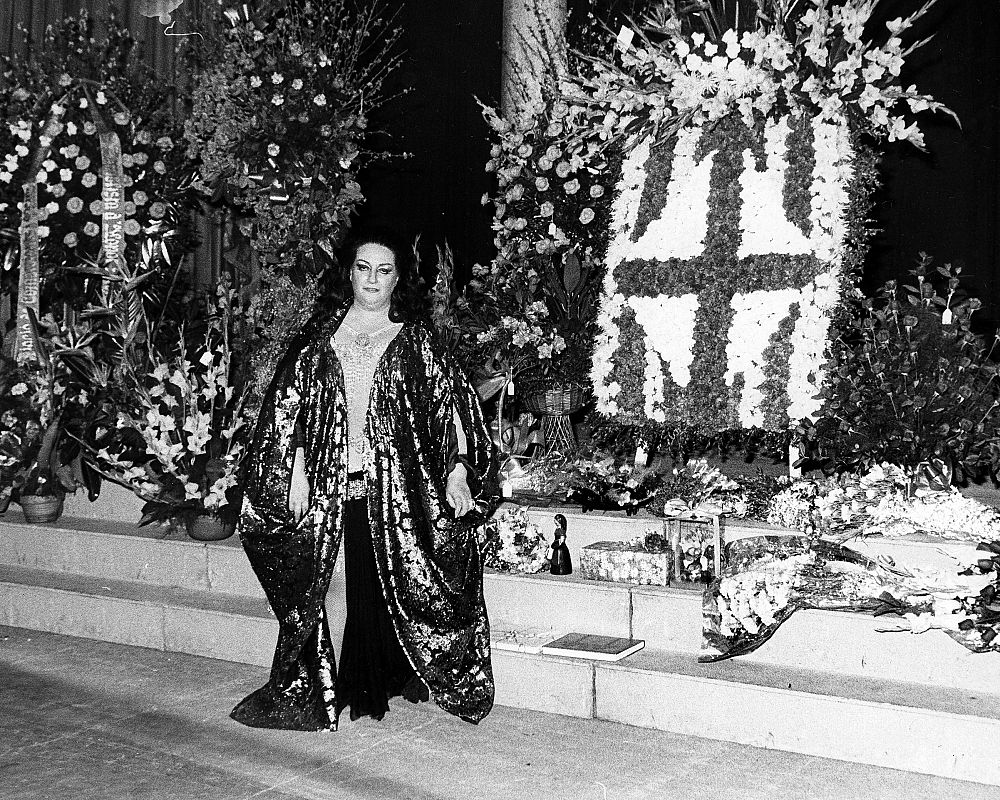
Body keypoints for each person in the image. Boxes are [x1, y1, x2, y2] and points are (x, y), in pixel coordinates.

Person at [231, 229, 501, 731]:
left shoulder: (416, 339)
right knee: (332, 582)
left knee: (391, 580)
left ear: (398, 279)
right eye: (363, 268)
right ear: (348, 272)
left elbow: (455, 410)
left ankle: (392, 674)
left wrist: (459, 470)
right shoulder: (319, 336)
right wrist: (293, 473)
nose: (372, 280)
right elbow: (286, 411)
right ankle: (342, 681)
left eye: (383, 270)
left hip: (397, 488)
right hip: (331, 482)